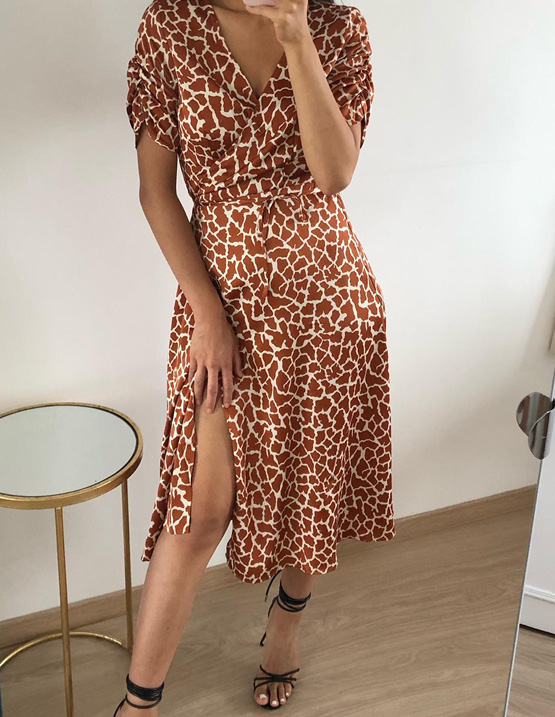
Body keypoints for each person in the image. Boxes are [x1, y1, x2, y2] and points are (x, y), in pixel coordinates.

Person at [114, 0, 395, 713]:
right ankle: (139, 704)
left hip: (329, 302)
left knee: (311, 482)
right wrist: (207, 314)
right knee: (200, 509)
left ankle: (283, 634)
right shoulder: (171, 24)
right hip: (223, 303)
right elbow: (155, 192)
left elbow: (334, 173)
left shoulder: (339, 29)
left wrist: (297, 39)